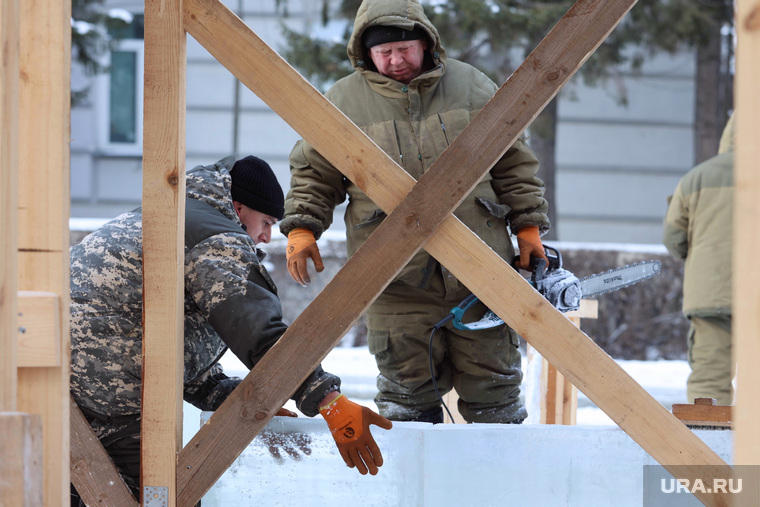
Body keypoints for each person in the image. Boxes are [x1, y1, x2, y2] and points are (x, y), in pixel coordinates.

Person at [280, 0, 550, 425]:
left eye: (404, 48)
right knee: (406, 403)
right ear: (364, 53)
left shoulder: (472, 86)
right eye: (383, 52)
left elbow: (513, 161)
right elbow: (314, 175)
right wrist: (302, 228)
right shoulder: (342, 103)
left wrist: (529, 227)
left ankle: (495, 488)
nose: (395, 59)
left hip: (480, 274)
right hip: (394, 279)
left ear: (426, 43)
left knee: (496, 395)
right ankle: (414, 491)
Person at [69, 155, 392, 504]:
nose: (267, 236)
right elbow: (256, 329)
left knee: (79, 489)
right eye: (266, 222)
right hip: (114, 395)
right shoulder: (216, 236)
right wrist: (329, 400)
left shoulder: (173, 212)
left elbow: (147, 336)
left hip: (68, 384)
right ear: (239, 209)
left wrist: (242, 399)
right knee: (163, 493)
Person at [663, 114, 735, 406]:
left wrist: (700, 264)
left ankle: (707, 444)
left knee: (709, 377)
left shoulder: (696, 178)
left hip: (712, 293)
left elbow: (674, 238)